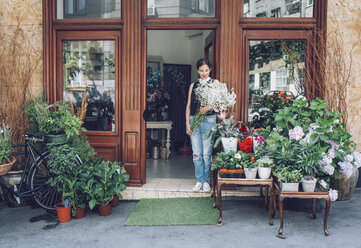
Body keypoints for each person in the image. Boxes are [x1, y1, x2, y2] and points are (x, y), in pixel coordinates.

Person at [185, 58, 216, 192]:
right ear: (197, 70)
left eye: (206, 70)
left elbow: (221, 103)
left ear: (209, 69)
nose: (204, 73)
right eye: (201, 70)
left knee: (206, 153)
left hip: (209, 121)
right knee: (196, 154)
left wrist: (208, 108)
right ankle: (199, 180)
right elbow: (189, 106)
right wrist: (187, 123)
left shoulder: (215, 84)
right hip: (194, 121)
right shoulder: (193, 85)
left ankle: (206, 182)